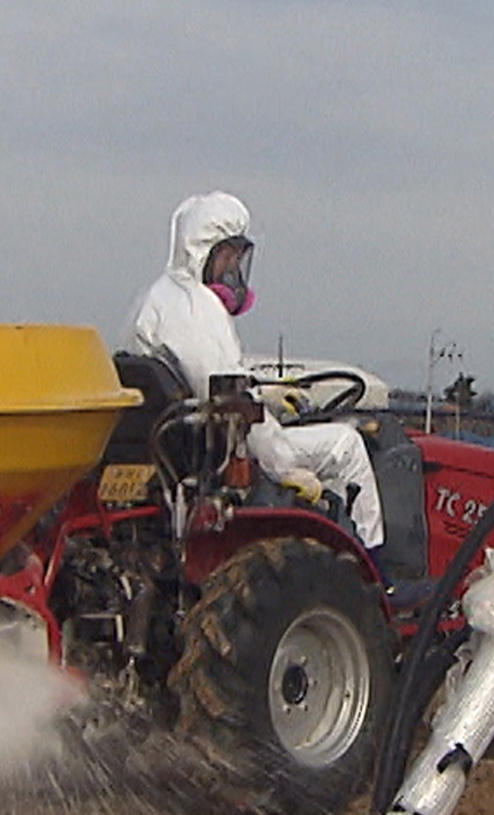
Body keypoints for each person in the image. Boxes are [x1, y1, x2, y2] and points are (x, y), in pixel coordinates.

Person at [127, 191, 385, 557]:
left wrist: (269, 397)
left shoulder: (160, 298)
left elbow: (215, 378)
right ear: (203, 251)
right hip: (218, 452)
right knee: (347, 447)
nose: (233, 269)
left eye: (237, 257)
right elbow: (228, 399)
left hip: (187, 441)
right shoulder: (196, 308)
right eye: (227, 256)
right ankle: (374, 565)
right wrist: (283, 467)